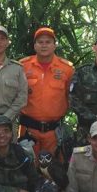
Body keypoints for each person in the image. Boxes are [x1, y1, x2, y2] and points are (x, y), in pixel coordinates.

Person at [18, 27, 75, 157]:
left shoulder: (67, 69)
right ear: (34, 46)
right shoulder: (22, 66)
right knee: (28, 168)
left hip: (54, 133)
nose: (44, 45)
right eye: (40, 42)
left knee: (54, 170)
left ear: (54, 45)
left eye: (48, 42)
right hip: (28, 130)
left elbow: (71, 97)